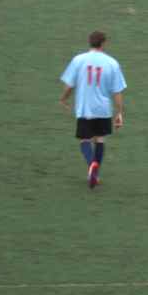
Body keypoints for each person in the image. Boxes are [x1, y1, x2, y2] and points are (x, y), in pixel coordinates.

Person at [59, 31, 127, 189]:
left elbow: (70, 85)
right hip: (103, 110)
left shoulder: (78, 60)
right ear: (104, 43)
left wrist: (63, 99)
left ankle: (91, 166)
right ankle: (95, 172)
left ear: (89, 42)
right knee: (100, 139)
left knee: (85, 140)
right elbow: (117, 92)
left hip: (85, 108)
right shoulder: (112, 63)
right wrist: (119, 113)